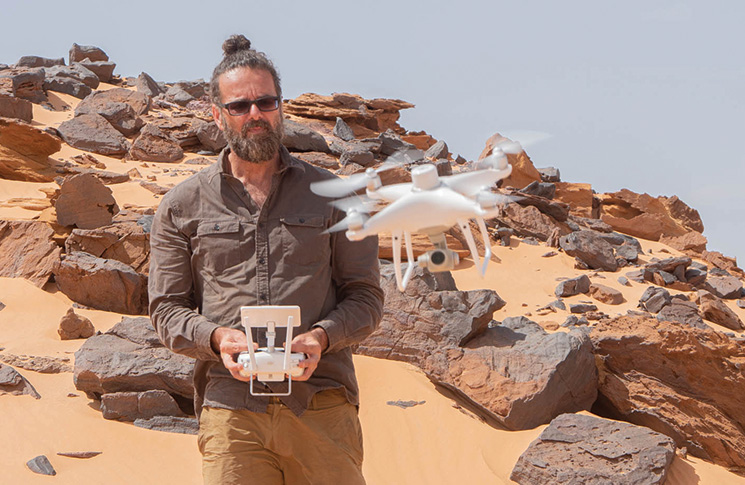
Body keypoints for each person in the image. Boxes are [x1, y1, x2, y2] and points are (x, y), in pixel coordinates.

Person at [148, 34, 384, 485]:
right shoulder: (181, 205)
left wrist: (322, 337)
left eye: (265, 102)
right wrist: (217, 338)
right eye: (239, 106)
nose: (255, 114)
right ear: (217, 115)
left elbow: (366, 297)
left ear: (282, 107)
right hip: (231, 412)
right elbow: (165, 309)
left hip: (321, 406)